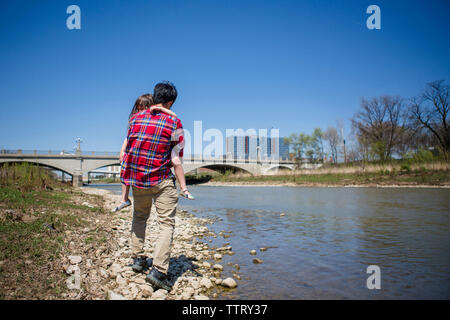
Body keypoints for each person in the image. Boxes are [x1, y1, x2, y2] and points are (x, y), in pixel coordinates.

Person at [120, 81, 190, 291]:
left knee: (139, 217)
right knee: (166, 224)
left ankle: (138, 259)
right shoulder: (175, 122)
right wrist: (183, 186)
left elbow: (129, 149)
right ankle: (158, 272)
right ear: (170, 102)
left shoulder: (135, 119)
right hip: (160, 179)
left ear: (154, 96)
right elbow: (176, 158)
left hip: (138, 179)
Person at [113, 94, 193, 212]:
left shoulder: (152, 119)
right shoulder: (137, 119)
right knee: (125, 165)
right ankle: (124, 198)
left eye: (144, 108)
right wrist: (123, 151)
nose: (141, 111)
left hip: (159, 157)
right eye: (139, 108)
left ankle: (184, 188)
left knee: (176, 161)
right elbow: (128, 138)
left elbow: (175, 119)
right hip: (145, 166)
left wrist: (161, 109)